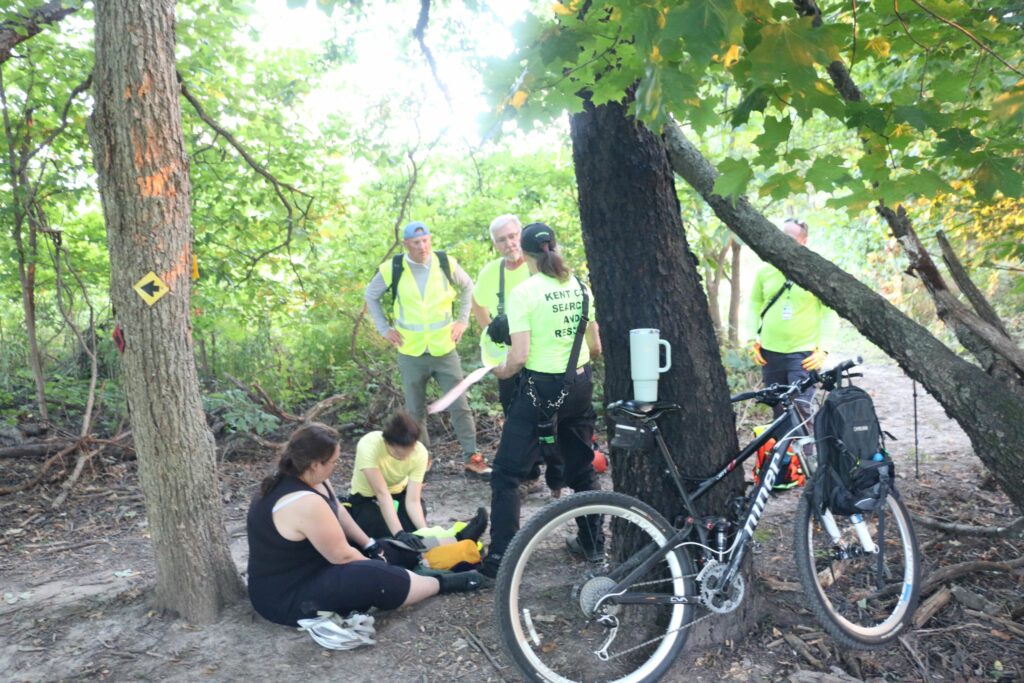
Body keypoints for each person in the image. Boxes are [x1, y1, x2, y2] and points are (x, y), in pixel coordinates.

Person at [246, 422, 483, 627]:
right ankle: (441, 583)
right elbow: (344, 557)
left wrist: (369, 545)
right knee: (375, 575)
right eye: (334, 461)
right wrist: (378, 566)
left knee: (387, 547)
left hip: (315, 565)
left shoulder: (312, 478)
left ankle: (458, 540)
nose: (336, 466)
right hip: (289, 595)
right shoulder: (304, 502)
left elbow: (339, 512)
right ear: (315, 464)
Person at [481, 222, 603, 579]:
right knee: (582, 468)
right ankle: (592, 544)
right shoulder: (580, 287)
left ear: (528, 253)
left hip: (539, 391)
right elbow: (595, 348)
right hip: (579, 386)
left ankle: (502, 556)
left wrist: (499, 372)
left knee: (506, 474)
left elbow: (518, 357)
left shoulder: (526, 293)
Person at [364, 221, 490, 479]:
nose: (422, 247)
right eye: (415, 243)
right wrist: (384, 328)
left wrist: (463, 320)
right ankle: (423, 458)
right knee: (414, 410)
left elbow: (468, 287)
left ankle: (472, 457)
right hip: (410, 351)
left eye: (425, 241)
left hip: (444, 348)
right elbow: (371, 296)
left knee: (460, 405)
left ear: (430, 240)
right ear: (406, 245)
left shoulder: (446, 263)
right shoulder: (393, 268)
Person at [471, 214, 545, 495]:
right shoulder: (492, 272)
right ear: (495, 244)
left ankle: (559, 475)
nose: (510, 243)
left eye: (513, 236)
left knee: (549, 414)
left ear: (522, 235)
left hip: (542, 355)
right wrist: (491, 330)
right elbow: (478, 304)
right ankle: (529, 476)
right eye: (502, 239)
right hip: (509, 358)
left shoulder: (538, 265)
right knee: (515, 415)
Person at [347, 410, 488, 543]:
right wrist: (399, 533)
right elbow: (381, 493)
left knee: (414, 533)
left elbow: (413, 500)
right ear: (387, 442)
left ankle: (456, 539)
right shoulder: (369, 445)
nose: (404, 457)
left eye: (408, 452)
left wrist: (424, 532)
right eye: (398, 453)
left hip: (399, 494)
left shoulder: (420, 452)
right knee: (382, 530)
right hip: (366, 499)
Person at [748, 218, 838, 417]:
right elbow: (754, 306)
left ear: (803, 241)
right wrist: (750, 340)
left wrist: (823, 349)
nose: (782, 241)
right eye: (780, 235)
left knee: (801, 408)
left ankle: (803, 449)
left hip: (803, 355)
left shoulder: (815, 273)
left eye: (789, 237)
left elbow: (830, 313)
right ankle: (782, 449)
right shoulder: (765, 270)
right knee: (778, 409)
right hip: (770, 353)